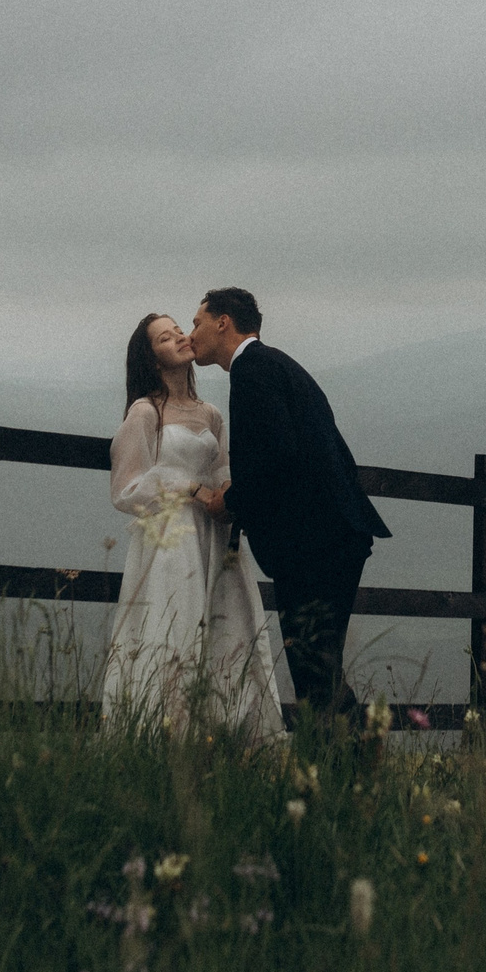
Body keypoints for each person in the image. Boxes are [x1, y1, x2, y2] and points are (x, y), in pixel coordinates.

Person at [189, 287, 392, 720]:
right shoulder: (274, 364)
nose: (192, 333)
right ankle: (351, 767)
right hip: (334, 535)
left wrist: (232, 500)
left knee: (314, 672)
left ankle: (353, 763)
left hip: (314, 544)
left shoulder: (251, 371)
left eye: (197, 321)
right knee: (321, 668)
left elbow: (276, 455)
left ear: (223, 321)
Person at [99, 312, 289, 739]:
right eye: (166, 338)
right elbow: (126, 486)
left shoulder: (212, 414)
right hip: (171, 537)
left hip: (216, 532)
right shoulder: (145, 413)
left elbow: (224, 469)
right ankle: (168, 732)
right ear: (152, 359)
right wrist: (189, 489)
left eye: (179, 330)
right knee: (175, 626)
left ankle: (228, 731)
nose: (181, 338)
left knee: (229, 623)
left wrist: (226, 496)